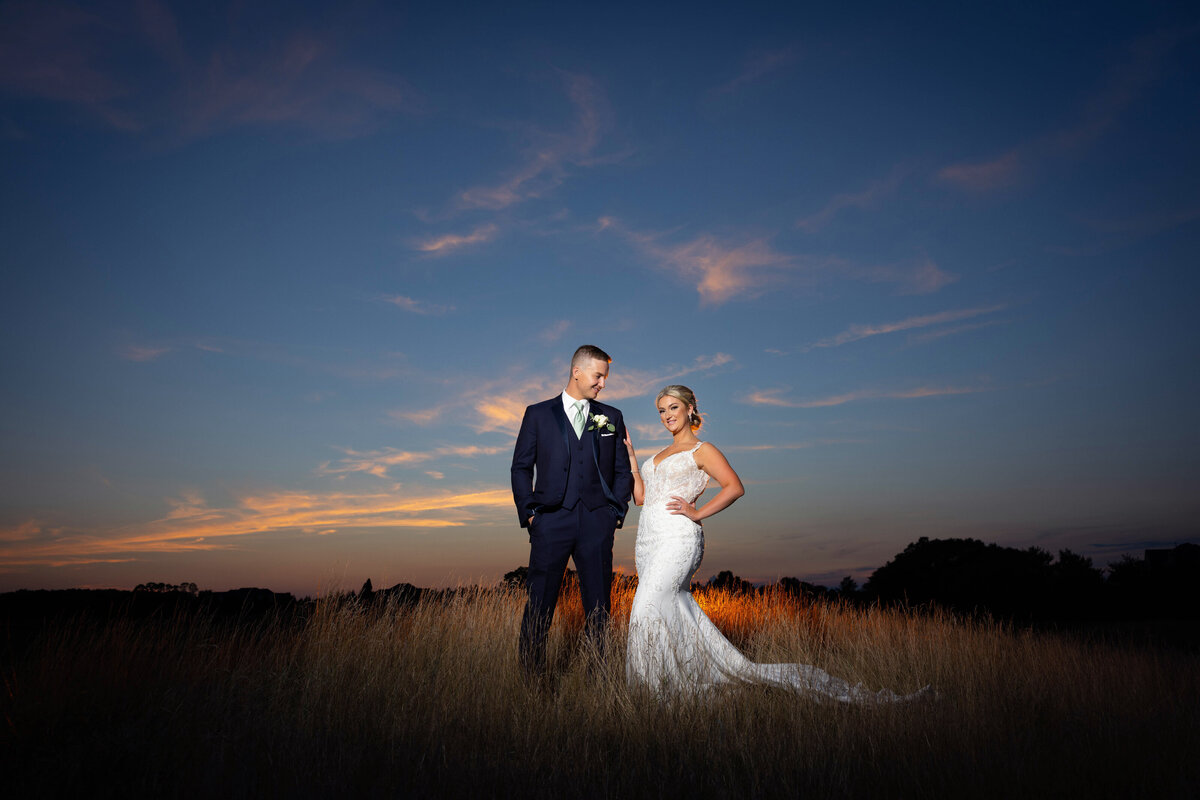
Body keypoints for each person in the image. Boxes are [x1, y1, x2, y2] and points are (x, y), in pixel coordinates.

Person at [623, 384, 927, 701]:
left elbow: (734, 487)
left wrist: (697, 511)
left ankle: (653, 692)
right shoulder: (657, 455)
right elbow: (642, 498)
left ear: (689, 409)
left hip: (678, 539)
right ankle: (664, 683)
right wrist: (632, 456)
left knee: (646, 604)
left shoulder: (703, 450)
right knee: (663, 608)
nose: (667, 415)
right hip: (648, 542)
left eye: (673, 407)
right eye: (661, 410)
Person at [511, 345, 633, 676]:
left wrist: (614, 515)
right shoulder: (537, 414)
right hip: (550, 522)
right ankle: (532, 683)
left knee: (598, 607)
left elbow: (623, 471)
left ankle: (599, 681)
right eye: (598, 376)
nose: (603, 384)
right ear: (576, 372)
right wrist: (531, 514)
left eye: (605, 378)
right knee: (539, 604)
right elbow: (521, 467)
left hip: (597, 523)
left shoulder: (610, 417)